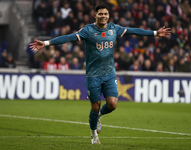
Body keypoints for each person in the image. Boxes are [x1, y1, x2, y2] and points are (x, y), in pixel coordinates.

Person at [29, 3, 171, 144]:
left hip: (109, 73)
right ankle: (93, 135)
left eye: (105, 14)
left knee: (112, 104)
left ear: (108, 15)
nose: (103, 16)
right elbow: (69, 37)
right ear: (95, 15)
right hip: (93, 75)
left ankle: (98, 118)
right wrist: (46, 43)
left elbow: (134, 31)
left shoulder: (114, 28)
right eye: (100, 14)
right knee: (95, 106)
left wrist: (154, 33)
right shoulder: (88, 30)